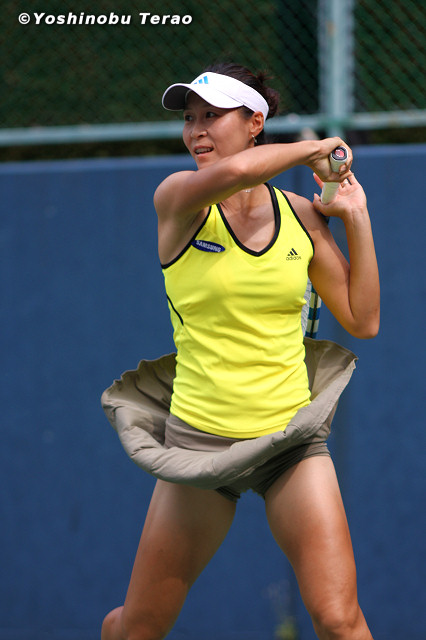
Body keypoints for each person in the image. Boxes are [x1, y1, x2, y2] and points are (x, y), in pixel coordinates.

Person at [101, 62, 379, 640]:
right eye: (190, 118)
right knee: (138, 629)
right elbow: (240, 172)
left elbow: (363, 319)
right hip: (199, 442)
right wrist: (315, 148)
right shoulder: (179, 199)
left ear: (255, 122)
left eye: (213, 116)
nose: (197, 130)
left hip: (290, 443)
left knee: (339, 620)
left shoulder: (302, 216)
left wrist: (356, 216)